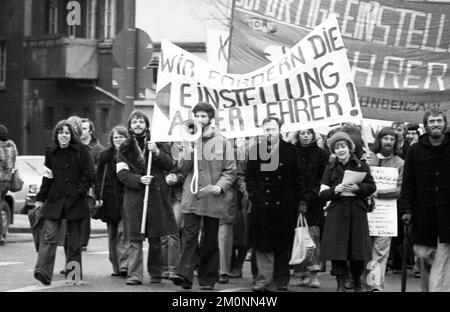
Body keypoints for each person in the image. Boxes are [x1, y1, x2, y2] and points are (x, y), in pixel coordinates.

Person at [172, 102, 237, 290]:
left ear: (210, 119)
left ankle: (208, 279)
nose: (200, 120)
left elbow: (230, 171)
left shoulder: (222, 142)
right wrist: (187, 152)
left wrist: (219, 187)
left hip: (212, 197)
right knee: (189, 236)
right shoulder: (188, 139)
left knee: (209, 239)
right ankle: (184, 276)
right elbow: (181, 168)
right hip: (192, 196)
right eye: (197, 116)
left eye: (203, 116)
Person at [116, 111, 178, 285]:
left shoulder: (157, 143)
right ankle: (134, 275)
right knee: (135, 238)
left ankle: (156, 274)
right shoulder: (125, 147)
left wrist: (157, 152)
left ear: (146, 125)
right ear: (130, 126)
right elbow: (121, 173)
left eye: (141, 121)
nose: (137, 124)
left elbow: (170, 164)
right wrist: (138, 180)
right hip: (135, 197)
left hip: (156, 196)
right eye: (134, 122)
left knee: (155, 237)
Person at [33, 120, 96, 285]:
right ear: (56, 135)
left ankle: (73, 275)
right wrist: (40, 199)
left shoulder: (81, 150)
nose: (63, 136)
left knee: (73, 242)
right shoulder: (51, 152)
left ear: (72, 135)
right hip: (55, 200)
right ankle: (43, 272)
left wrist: (79, 191)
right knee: (49, 236)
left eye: (67, 133)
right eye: (60, 132)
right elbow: (47, 178)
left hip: (75, 201)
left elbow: (90, 174)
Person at [246, 117, 304, 292]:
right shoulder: (256, 150)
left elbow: (298, 177)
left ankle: (281, 280)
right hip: (262, 204)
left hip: (284, 204)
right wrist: (255, 195)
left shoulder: (291, 150)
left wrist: (300, 201)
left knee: (282, 244)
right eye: (266, 130)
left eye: (272, 129)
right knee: (263, 243)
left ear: (280, 130)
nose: (269, 133)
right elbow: (250, 177)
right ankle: (264, 280)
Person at [319, 131, 376, 292]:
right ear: (333, 151)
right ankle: (340, 283)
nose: (341, 150)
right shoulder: (329, 168)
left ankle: (357, 282)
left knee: (357, 251)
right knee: (337, 252)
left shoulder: (361, 165)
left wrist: (358, 188)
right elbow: (322, 194)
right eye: (337, 148)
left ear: (350, 148)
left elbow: (372, 187)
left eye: (343, 146)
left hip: (357, 212)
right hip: (337, 212)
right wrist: (335, 190)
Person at [400, 108, 450, 292]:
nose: (436, 124)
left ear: (445, 124)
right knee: (423, 256)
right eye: (432, 121)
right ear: (426, 125)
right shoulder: (415, 150)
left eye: (439, 120)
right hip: (423, 214)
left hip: (447, 215)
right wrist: (406, 210)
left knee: (444, 257)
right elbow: (408, 183)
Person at [366, 127, 404, 291]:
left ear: (396, 142)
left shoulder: (400, 163)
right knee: (365, 249)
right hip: (366, 212)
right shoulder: (369, 158)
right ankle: (362, 282)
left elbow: (400, 189)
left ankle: (376, 285)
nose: (388, 142)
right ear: (379, 140)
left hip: (386, 215)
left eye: (392, 139)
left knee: (380, 251)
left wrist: (377, 192)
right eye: (385, 138)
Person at [294, 129, 329, 288]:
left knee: (312, 237)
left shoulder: (321, 154)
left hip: (314, 201)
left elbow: (323, 177)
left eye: (309, 133)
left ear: (314, 135)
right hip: (294, 200)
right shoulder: (292, 152)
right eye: (303, 133)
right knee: (298, 237)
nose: (306, 136)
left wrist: (313, 196)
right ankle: (302, 273)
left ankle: (313, 273)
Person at [95, 125, 130, 277]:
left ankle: (124, 265)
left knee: (123, 232)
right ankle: (116, 266)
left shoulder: (131, 154)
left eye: (121, 137)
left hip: (126, 197)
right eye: (116, 137)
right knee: (112, 233)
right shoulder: (105, 155)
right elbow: (98, 178)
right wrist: (97, 197)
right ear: (111, 139)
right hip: (109, 199)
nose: (118, 140)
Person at [80, 118, 104, 251]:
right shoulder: (76, 146)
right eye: (80, 128)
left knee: (85, 212)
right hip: (76, 185)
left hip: (90, 188)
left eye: (84, 128)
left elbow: (99, 171)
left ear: (90, 131)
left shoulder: (98, 149)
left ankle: (82, 242)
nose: (81, 131)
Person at [0, 124, 18, 246]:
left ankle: (1, 235)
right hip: (7, 181)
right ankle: (2, 233)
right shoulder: (12, 146)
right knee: (1, 205)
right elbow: (14, 161)